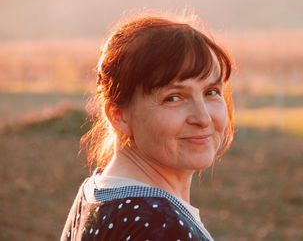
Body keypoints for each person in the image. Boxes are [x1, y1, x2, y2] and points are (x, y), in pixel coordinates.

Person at [60, 13, 234, 241]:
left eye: (211, 92)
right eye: (173, 98)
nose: (203, 118)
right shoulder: (162, 228)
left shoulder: (96, 193)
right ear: (118, 115)